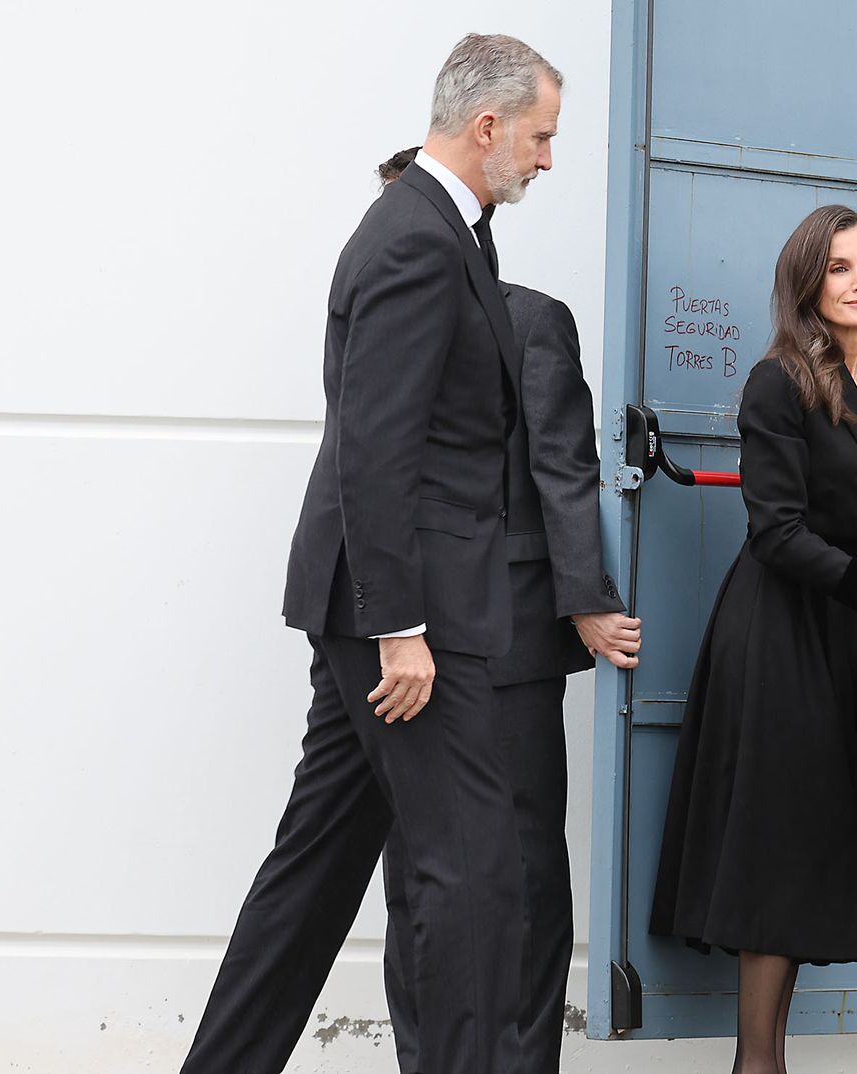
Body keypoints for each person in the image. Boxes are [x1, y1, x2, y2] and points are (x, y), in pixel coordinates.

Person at [179, 34, 563, 1074]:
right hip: (407, 618)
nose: (546, 158)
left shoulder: (443, 230)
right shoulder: (415, 239)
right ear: (487, 126)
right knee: (474, 872)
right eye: (539, 137)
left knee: (316, 868)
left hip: (397, 605)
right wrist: (400, 628)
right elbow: (375, 445)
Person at [650, 205, 857, 1074]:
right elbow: (777, 533)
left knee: (802, 843)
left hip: (830, 634)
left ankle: (765, 1064)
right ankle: (758, 1065)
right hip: (773, 636)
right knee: (776, 848)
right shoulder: (777, 382)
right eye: (840, 268)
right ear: (807, 283)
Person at [373, 146, 643, 1074]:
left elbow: (564, 471)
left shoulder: (531, 321)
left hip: (514, 643)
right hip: (404, 641)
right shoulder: (376, 332)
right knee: (417, 871)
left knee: (524, 865)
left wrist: (585, 602)